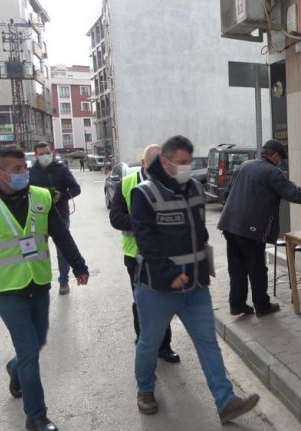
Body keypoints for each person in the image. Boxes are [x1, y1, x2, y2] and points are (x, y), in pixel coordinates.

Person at [0, 145, 89, 431]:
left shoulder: (41, 197)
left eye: (25, 167)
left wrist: (79, 265)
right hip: (6, 290)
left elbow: (60, 233)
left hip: (38, 283)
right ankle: (36, 417)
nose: (24, 173)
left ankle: (14, 369)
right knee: (29, 350)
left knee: (36, 344)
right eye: (17, 170)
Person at [130, 135, 259, 423]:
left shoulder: (197, 189)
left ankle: (226, 402)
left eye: (191, 162)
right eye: (183, 163)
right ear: (165, 162)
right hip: (157, 288)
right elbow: (146, 241)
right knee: (149, 343)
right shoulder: (145, 193)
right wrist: (169, 274)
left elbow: (199, 234)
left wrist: (204, 269)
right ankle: (146, 390)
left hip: (196, 288)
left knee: (207, 343)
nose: (189, 167)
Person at [218, 140, 301, 317]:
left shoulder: (243, 166)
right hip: (251, 230)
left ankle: (237, 304)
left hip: (229, 225)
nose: (280, 162)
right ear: (274, 155)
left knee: (237, 268)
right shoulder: (272, 172)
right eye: (280, 158)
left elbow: (229, 193)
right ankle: (262, 306)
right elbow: (295, 194)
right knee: (257, 268)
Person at [109, 144, 180, 363]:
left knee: (165, 301)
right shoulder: (127, 184)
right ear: (143, 164)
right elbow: (115, 218)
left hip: (165, 255)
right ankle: (144, 342)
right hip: (136, 257)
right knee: (143, 302)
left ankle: (164, 346)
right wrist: (143, 222)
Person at [29, 142, 81, 295]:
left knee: (63, 250)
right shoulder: (31, 172)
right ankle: (38, 281)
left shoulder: (61, 169)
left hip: (60, 215)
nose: (45, 156)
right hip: (39, 216)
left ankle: (63, 281)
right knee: (37, 249)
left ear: (51, 152)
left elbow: (76, 188)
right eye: (41, 154)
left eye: (47, 153)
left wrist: (62, 195)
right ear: (36, 155)